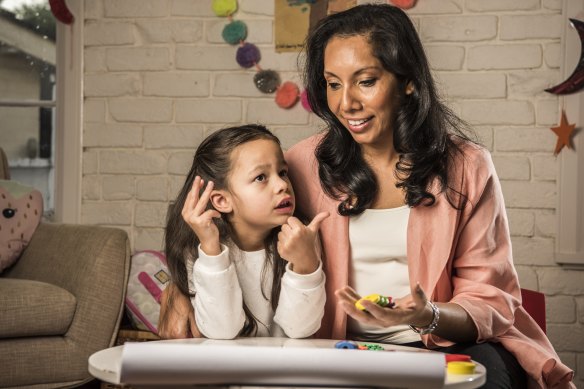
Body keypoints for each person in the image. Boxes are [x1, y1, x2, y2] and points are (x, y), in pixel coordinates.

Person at [158, 4, 574, 388]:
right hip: (337, 349)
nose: (346, 103)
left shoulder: (467, 166)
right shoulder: (302, 164)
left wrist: (425, 315)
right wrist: (181, 284)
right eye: (333, 84)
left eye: (366, 81)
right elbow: (231, 210)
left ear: (407, 81)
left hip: (444, 343)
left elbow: (491, 297)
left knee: (486, 380)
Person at [163, 124, 328, 339]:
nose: (282, 185)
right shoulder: (202, 249)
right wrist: (211, 250)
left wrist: (306, 264)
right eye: (261, 177)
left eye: (282, 172)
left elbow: (299, 329)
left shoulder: (301, 238)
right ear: (222, 200)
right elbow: (222, 331)